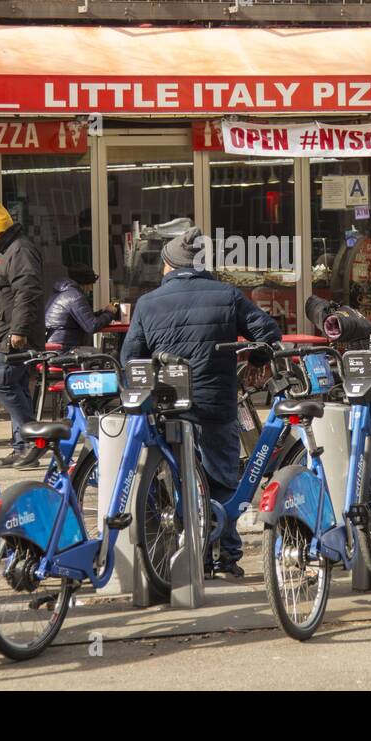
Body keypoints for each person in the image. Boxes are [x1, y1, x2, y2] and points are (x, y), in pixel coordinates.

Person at [120, 227, 281, 579]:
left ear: (169, 266)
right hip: (215, 403)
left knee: (170, 479)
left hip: (167, 407)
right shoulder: (227, 294)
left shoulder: (148, 303)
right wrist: (253, 364)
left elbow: (130, 359)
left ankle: (177, 552)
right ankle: (222, 559)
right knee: (222, 478)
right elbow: (268, 333)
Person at [0, 201, 46, 468]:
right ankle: (22, 446)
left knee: (1, 384)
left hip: (10, 336)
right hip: (3, 332)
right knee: (16, 387)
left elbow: (28, 292)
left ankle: (34, 437)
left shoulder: (20, 251)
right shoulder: (6, 250)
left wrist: (18, 330)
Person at [45, 270, 119, 349]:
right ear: (84, 283)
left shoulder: (63, 293)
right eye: (90, 285)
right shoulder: (75, 296)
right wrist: (109, 313)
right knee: (104, 356)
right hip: (66, 349)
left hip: (56, 346)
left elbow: (83, 318)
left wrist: (102, 313)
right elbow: (92, 326)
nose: (91, 289)